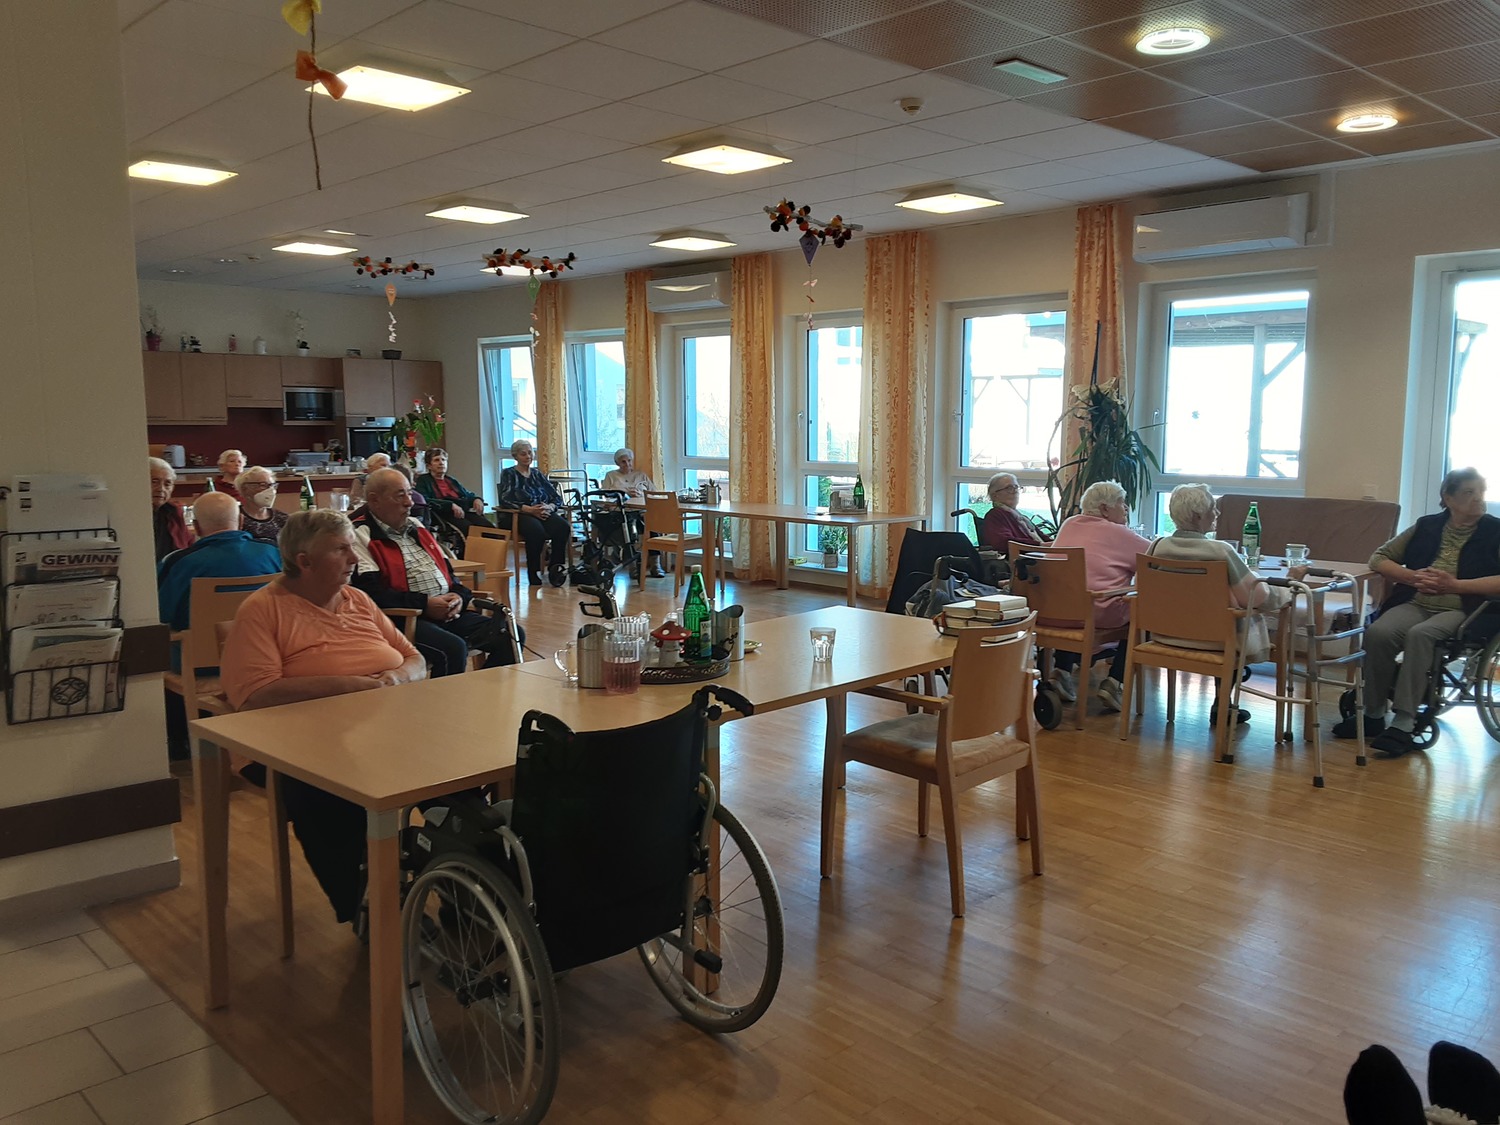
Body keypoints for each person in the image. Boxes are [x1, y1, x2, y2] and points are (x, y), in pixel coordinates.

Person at [221, 510, 426, 927]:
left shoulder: (358, 600)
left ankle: (456, 879)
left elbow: (414, 658)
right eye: (340, 550)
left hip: (381, 727)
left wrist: (395, 678)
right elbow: (257, 693)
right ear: (304, 561)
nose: (354, 558)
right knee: (323, 790)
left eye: (352, 547)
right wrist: (355, 685)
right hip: (291, 742)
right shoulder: (263, 609)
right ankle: (365, 903)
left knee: (461, 773)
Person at [1334, 468, 1500, 758]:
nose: (1478, 498)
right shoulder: (1427, 526)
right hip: (1418, 602)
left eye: (1481, 492)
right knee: (1379, 633)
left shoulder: (1495, 530)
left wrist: (1456, 585)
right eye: (1469, 492)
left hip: (1467, 608)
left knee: (1421, 635)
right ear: (1448, 498)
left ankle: (1403, 721)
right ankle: (1373, 713)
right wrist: (1412, 577)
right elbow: (1379, 558)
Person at [1146, 483, 1303, 727]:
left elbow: (1145, 588)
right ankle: (1222, 702)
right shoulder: (1220, 551)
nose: (1217, 513)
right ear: (1198, 516)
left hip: (1164, 635)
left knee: (1225, 610)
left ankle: (1225, 702)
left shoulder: (1157, 546)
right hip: (1215, 640)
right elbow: (1257, 597)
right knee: (1231, 620)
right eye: (1213, 508)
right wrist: (1290, 585)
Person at [351, 468, 521, 675]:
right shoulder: (360, 535)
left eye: (409, 493)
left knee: (511, 634)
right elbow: (371, 595)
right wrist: (425, 604)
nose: (409, 502)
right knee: (453, 648)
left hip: (448, 613)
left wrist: (458, 598)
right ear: (374, 500)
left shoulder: (417, 527)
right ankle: (443, 697)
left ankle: (483, 690)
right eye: (400, 495)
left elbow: (451, 577)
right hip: (404, 619)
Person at [1047, 480, 1153, 713]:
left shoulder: (1069, 523)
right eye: (1122, 503)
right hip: (1094, 613)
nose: (1126, 508)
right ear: (1105, 509)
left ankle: (1062, 671)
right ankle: (1115, 682)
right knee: (1140, 614)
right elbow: (1155, 556)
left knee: (1074, 598)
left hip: (1053, 610)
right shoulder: (1117, 532)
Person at [157, 492, 281, 630]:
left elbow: (160, 614)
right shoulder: (275, 553)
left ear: (196, 527)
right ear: (241, 521)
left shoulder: (178, 563)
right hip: (267, 639)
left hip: (200, 642)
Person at [497, 439, 571, 586]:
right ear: (515, 456)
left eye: (530, 453)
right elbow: (505, 499)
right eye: (523, 454)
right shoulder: (509, 473)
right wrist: (530, 510)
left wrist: (549, 507)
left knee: (563, 527)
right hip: (519, 514)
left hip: (542, 511)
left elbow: (556, 497)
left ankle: (555, 567)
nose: (528, 456)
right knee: (536, 532)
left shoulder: (537, 474)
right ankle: (533, 571)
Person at [601, 447, 665, 577]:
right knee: (629, 528)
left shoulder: (641, 475)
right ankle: (633, 566)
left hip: (641, 511)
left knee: (653, 525)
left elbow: (654, 493)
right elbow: (604, 496)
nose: (627, 464)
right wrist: (624, 493)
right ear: (617, 463)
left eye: (629, 461)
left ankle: (655, 565)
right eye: (623, 462)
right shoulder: (611, 476)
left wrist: (640, 494)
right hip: (621, 513)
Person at [415, 446, 493, 533]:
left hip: (462, 511)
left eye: (443, 460)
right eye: (437, 460)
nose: (441, 463)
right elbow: (424, 500)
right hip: (443, 514)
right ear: (429, 466)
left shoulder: (451, 480)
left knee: (488, 527)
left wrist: (476, 499)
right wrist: (450, 505)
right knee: (470, 529)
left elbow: (466, 494)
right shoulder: (423, 480)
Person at [980, 472, 1049, 550]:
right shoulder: (995, 515)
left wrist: (1055, 545)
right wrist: (1040, 545)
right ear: (995, 495)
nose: (1015, 491)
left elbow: (1043, 538)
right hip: (1025, 556)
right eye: (1009, 488)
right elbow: (1004, 542)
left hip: (1041, 552)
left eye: (1016, 487)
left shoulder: (1021, 517)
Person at [150, 456, 192, 562]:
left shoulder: (174, 513)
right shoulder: (132, 514)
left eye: (167, 484)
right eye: (154, 481)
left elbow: (188, 547)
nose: (161, 489)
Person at [235, 466, 288, 544]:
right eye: (263, 485)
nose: (270, 490)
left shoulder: (282, 519)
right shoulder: (234, 518)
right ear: (245, 489)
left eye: (272, 485)